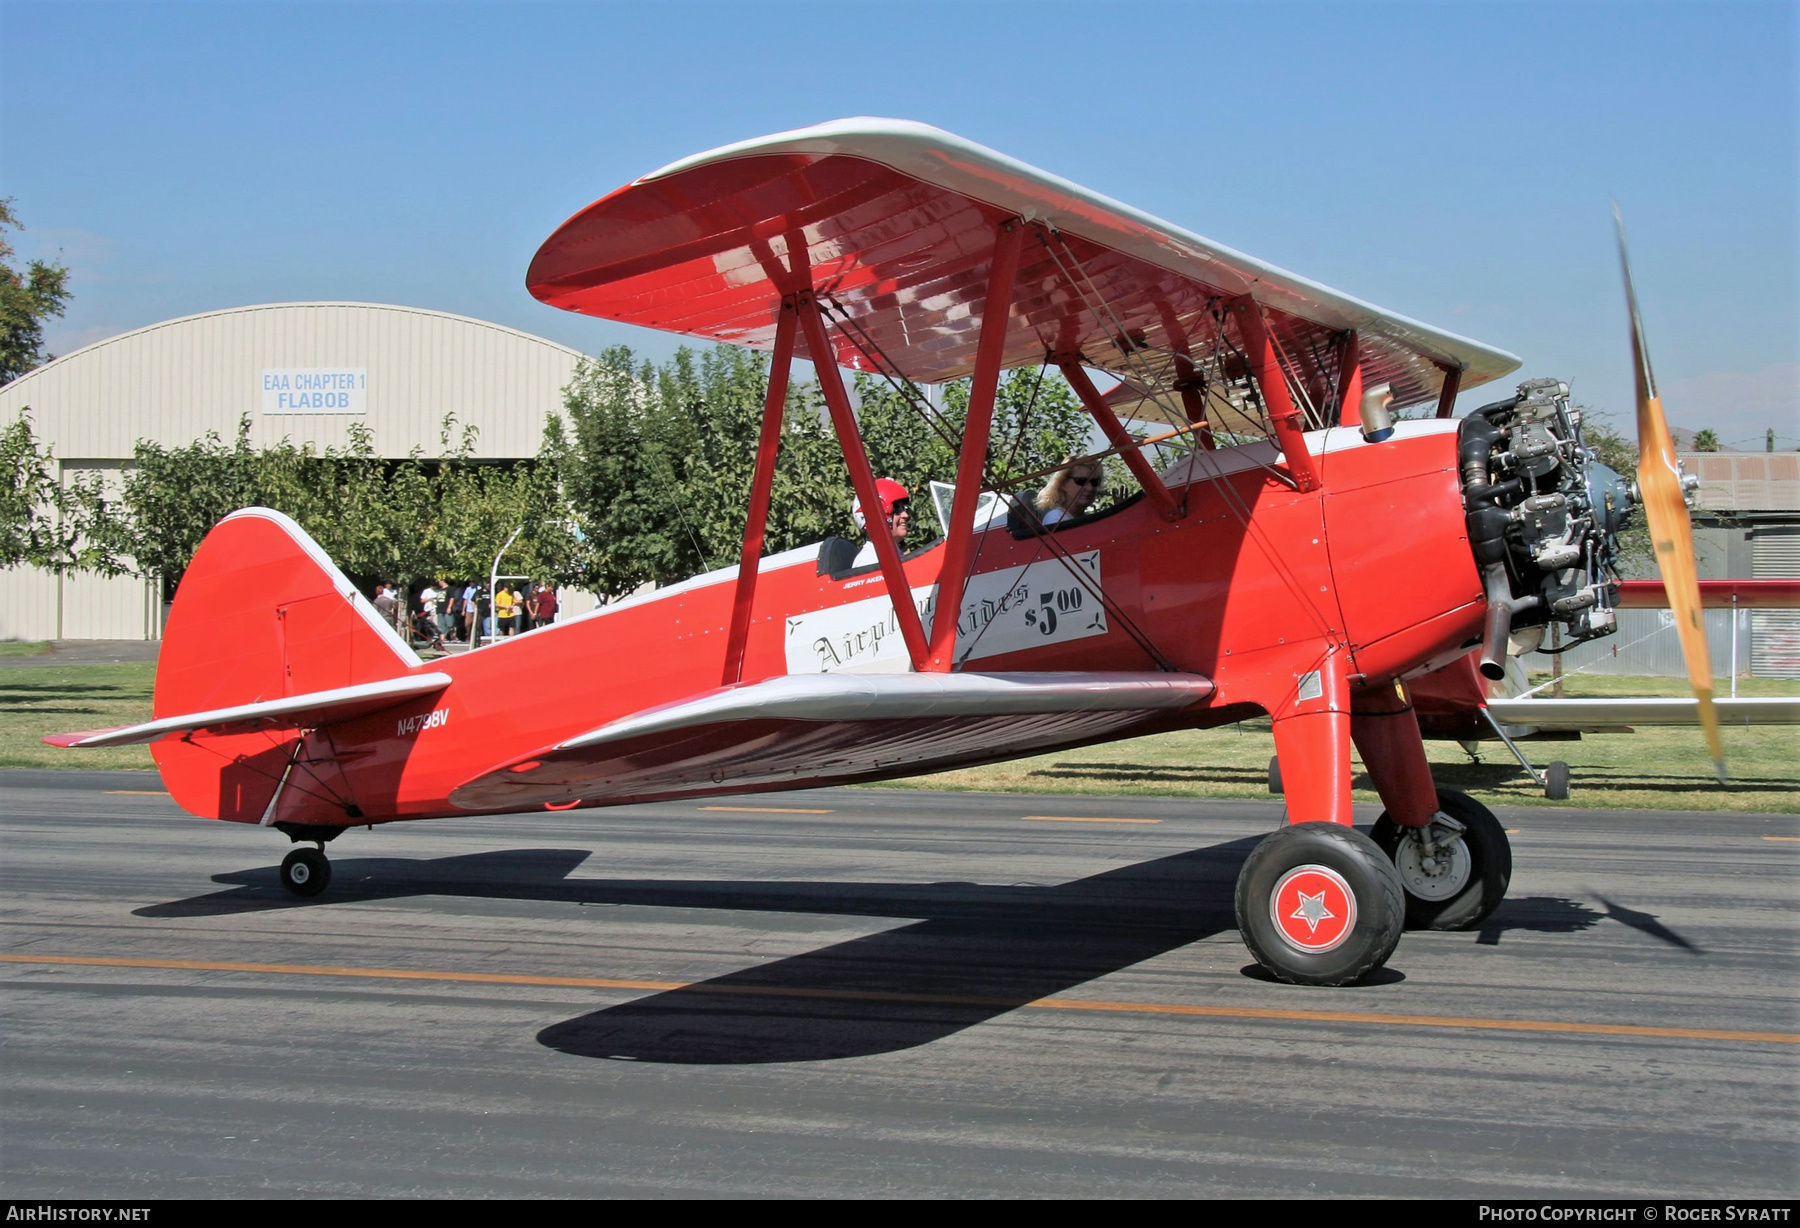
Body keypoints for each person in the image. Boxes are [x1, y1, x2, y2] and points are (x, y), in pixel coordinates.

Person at [851, 478, 911, 568]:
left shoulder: (895, 553)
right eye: (897, 509)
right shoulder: (868, 560)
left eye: (903, 508)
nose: (905, 515)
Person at [1035, 458, 1103, 526]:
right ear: (1063, 483)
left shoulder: (1086, 518)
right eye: (1081, 481)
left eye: (1095, 482)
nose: (1090, 488)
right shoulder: (1055, 519)